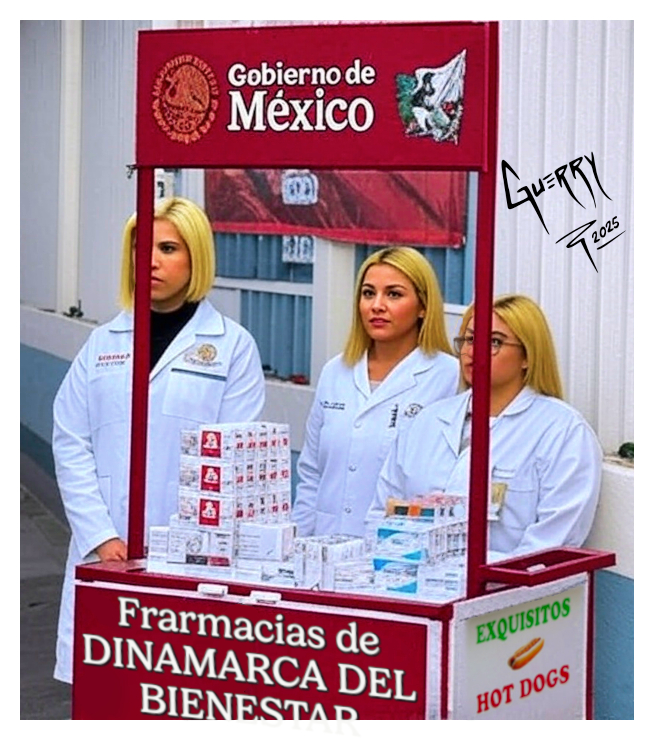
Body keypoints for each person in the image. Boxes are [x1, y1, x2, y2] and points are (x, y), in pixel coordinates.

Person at [52, 197, 265, 683]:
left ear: (197, 257)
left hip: (193, 558)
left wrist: (190, 545)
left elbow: (233, 460)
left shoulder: (232, 346)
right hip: (106, 548)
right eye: (140, 246)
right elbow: (70, 440)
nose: (149, 260)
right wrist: (100, 536)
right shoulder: (103, 343)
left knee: (180, 686)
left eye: (167, 248)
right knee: (106, 684)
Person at [370, 294, 602, 560]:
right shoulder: (426, 421)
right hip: (409, 577)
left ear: (527, 356)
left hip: (507, 584)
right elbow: (382, 513)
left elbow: (552, 544)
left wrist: (474, 573)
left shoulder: (563, 432)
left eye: (494, 342)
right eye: (469, 339)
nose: (474, 351)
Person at [292, 247, 459, 538]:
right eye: (368, 293)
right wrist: (299, 541)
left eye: (393, 294)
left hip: (399, 548)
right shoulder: (336, 371)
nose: (377, 306)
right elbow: (311, 473)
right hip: (324, 542)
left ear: (423, 306)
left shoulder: (449, 377)